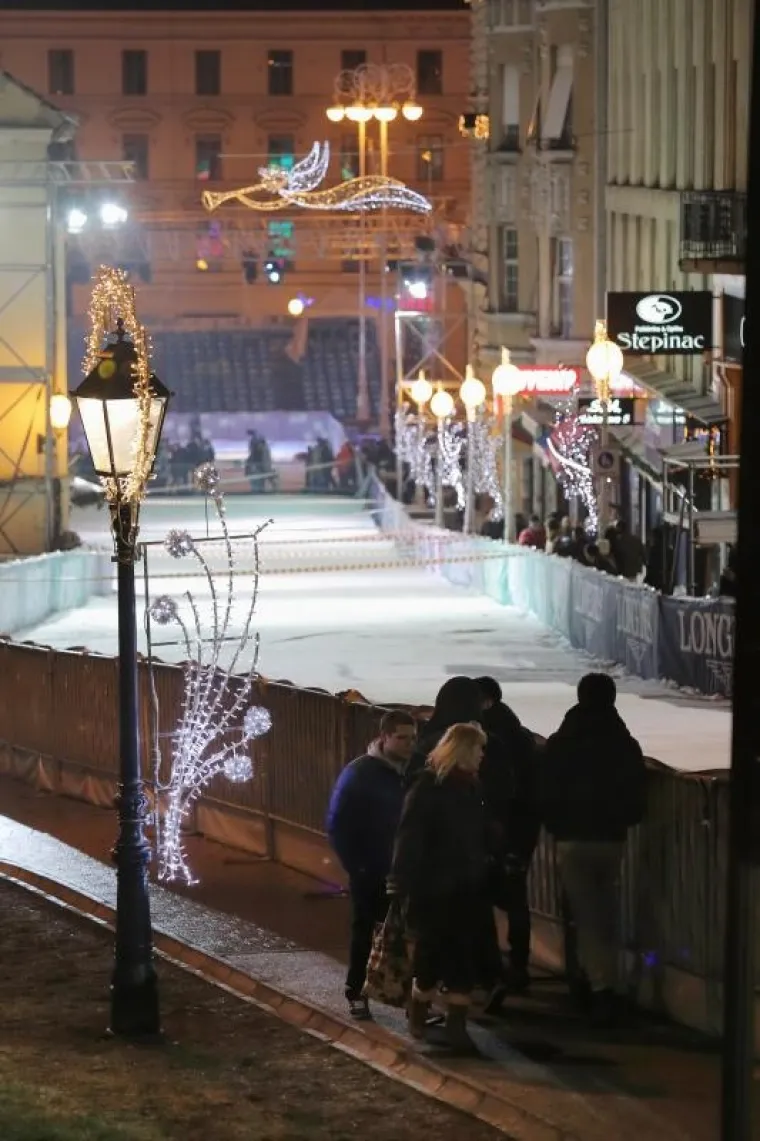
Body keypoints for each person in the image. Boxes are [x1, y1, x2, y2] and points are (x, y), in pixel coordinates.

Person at [542, 673, 646, 1026]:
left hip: (572, 840)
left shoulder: (562, 742)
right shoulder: (623, 742)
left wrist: (556, 825)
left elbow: (547, 790)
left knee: (585, 916)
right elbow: (636, 793)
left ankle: (597, 987)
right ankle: (604, 981)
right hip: (611, 840)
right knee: (605, 914)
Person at [391, 722, 489, 1053]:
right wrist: (401, 880)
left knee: (462, 957)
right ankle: (420, 1011)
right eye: (478, 749)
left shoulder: (471, 788)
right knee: (430, 957)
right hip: (432, 888)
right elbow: (409, 837)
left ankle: (456, 1026)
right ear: (463, 750)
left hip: (465, 887)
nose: (482, 755)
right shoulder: (428, 787)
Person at [412, 677, 513, 998]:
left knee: (437, 936)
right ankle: (481, 979)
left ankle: (440, 990)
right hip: (473, 860)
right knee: (473, 922)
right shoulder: (489, 747)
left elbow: (410, 821)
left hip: (437, 866)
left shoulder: (427, 749)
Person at [326, 710, 418, 1020]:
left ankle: (410, 1000)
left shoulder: (414, 770)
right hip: (372, 869)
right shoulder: (360, 773)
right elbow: (338, 825)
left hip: (403, 869)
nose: (409, 744)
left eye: (413, 738)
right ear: (384, 737)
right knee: (366, 930)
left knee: (407, 935)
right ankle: (357, 991)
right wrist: (359, 866)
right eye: (402, 738)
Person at [475, 677, 541, 992]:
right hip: (522, 830)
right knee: (516, 898)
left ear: (486, 701)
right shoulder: (521, 735)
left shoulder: (485, 739)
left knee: (481, 897)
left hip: (496, 830)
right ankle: (518, 964)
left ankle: (489, 967)